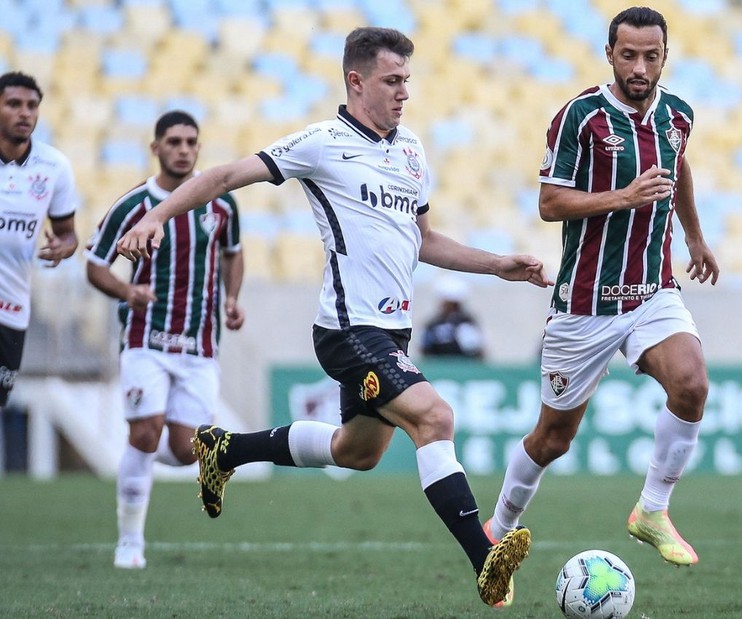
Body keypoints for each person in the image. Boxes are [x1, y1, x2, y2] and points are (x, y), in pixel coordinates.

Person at [115, 27, 549, 607]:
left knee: (356, 452)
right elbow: (222, 178)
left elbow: (422, 240)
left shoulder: (411, 150)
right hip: (348, 331)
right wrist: (156, 219)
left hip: (391, 331)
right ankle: (484, 557)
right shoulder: (321, 142)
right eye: (392, 81)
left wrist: (497, 264)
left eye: (406, 82)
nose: (403, 93)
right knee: (435, 419)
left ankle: (226, 450)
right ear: (356, 80)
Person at [485, 5, 720, 580]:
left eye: (651, 56)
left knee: (691, 384)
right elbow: (549, 203)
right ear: (609, 54)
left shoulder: (679, 114)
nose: (640, 67)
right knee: (552, 439)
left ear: (665, 56)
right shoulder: (579, 117)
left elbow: (678, 166)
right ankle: (498, 526)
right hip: (586, 304)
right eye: (629, 55)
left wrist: (694, 236)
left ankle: (653, 510)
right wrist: (623, 196)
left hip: (652, 292)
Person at [86, 110, 245, 569]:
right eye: (173, 141)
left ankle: (143, 457)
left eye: (191, 141)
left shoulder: (221, 204)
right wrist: (128, 290)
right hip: (145, 338)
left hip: (199, 344)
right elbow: (96, 265)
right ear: (155, 147)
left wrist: (232, 298)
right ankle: (130, 542)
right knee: (144, 433)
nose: (183, 149)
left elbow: (234, 254)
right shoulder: (134, 204)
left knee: (182, 449)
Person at [0, 71, 79, 419]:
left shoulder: (54, 167)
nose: (25, 113)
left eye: (32, 106)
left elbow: (67, 232)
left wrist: (64, 246)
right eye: (14, 104)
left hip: (12, 307)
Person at [420, 276, 484, 359]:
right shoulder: (433, 323)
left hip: (462, 366)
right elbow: (424, 349)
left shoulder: (466, 322)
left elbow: (475, 350)